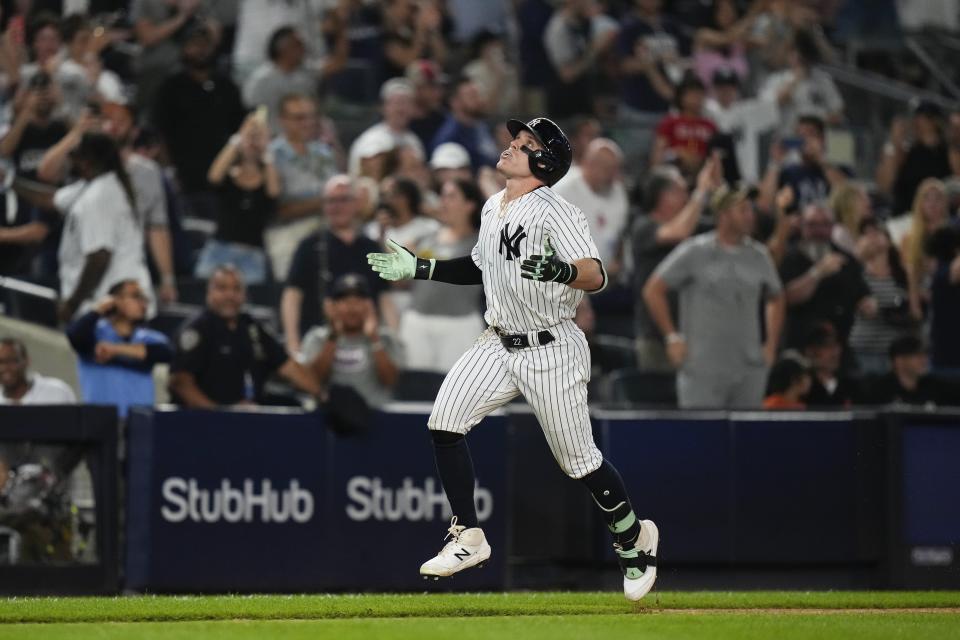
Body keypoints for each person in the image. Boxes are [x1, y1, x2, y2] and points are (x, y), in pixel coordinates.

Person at [366, 116, 659, 601]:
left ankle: (633, 539)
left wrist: (562, 269)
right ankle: (468, 536)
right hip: (499, 340)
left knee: (580, 462)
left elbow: (597, 274)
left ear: (542, 162)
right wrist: (419, 266)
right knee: (443, 423)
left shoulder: (555, 211)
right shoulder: (491, 206)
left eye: (523, 145)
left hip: (551, 346)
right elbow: (479, 266)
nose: (510, 147)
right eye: (515, 140)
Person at [642, 183, 785, 409]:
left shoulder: (759, 255)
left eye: (750, 210)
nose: (750, 216)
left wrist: (770, 344)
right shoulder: (695, 251)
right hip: (703, 366)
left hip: (748, 366)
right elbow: (653, 290)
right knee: (701, 438)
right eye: (743, 210)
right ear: (724, 214)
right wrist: (672, 338)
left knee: (748, 437)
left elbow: (776, 297)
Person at [15, 132, 153, 323]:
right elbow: (49, 200)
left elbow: (99, 257)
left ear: (87, 161)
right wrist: (9, 181)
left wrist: (72, 305)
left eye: (75, 154)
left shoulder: (99, 197)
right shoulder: (90, 185)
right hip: (110, 305)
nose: (70, 158)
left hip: (113, 308)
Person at [168, 265, 320, 407]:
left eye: (237, 289)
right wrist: (219, 414)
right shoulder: (197, 330)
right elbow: (181, 383)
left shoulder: (253, 328)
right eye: (222, 288)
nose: (230, 295)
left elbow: (289, 367)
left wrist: (322, 395)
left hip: (250, 419)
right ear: (209, 292)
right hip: (202, 422)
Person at [282, 175, 387, 355]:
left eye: (344, 199)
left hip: (365, 347)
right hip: (320, 343)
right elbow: (292, 296)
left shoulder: (372, 248)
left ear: (356, 203)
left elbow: (385, 297)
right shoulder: (309, 246)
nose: (337, 206)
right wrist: (293, 344)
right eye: (331, 201)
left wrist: (390, 341)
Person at [632, 158, 719, 370]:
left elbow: (722, 228)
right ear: (663, 196)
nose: (687, 196)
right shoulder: (644, 227)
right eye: (681, 191)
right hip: (656, 336)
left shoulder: (694, 224)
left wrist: (716, 192)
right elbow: (679, 232)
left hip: (693, 333)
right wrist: (701, 191)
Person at [153, 22, 246, 213]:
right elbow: (160, 132)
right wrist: (171, 171)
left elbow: (240, 130)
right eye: (195, 44)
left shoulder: (227, 86)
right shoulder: (171, 87)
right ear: (184, 48)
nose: (201, 50)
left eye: (206, 44)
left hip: (223, 175)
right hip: (186, 177)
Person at [398, 178, 484, 373]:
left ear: (469, 205)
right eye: (442, 196)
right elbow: (399, 282)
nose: (443, 202)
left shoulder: (482, 242)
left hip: (459, 325)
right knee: (417, 385)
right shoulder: (425, 238)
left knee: (457, 388)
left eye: (451, 197)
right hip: (417, 322)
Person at [65, 279, 172, 418]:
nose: (143, 303)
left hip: (140, 421)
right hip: (100, 420)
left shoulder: (148, 337)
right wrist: (98, 309)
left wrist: (114, 350)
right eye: (136, 296)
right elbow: (75, 336)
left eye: (144, 298)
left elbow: (166, 353)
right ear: (114, 300)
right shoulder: (95, 333)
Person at [194, 111, 279, 285]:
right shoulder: (229, 176)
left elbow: (274, 193)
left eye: (258, 136)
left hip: (252, 254)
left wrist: (266, 146)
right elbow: (214, 177)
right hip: (219, 249)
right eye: (250, 136)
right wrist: (239, 138)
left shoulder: (270, 178)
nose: (253, 141)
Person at [301, 273, 401, 410]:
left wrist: (374, 338)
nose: (352, 308)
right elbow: (313, 381)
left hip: (375, 415)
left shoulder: (385, 339)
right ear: (332, 306)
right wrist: (333, 336)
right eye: (345, 301)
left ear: (370, 305)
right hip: (330, 417)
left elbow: (390, 381)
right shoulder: (317, 338)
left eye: (358, 301)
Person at [265, 93, 338, 281]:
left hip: (329, 229)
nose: (307, 123)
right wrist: (328, 202)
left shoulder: (324, 152)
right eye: (299, 118)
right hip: (288, 233)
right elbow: (278, 209)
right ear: (282, 120)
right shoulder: (271, 156)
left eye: (311, 116)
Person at [779, 202, 871, 351]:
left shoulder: (846, 259)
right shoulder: (789, 258)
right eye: (812, 225)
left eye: (825, 224)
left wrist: (868, 303)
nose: (819, 231)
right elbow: (786, 298)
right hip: (801, 344)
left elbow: (862, 294)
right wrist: (817, 273)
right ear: (801, 225)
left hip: (839, 345)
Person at [242, 25, 348, 133]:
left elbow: (337, 63)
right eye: (298, 44)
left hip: (306, 137)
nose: (304, 48)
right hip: (273, 138)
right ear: (283, 48)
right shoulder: (261, 80)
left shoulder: (308, 71)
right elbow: (254, 113)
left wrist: (341, 30)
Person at [553, 138, 629, 274]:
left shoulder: (617, 191)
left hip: (605, 278)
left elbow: (619, 233)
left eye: (615, 168)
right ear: (589, 163)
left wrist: (617, 261)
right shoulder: (562, 190)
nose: (613, 175)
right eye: (607, 168)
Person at [848, 219, 913, 375]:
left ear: (889, 241)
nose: (872, 237)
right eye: (866, 234)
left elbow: (915, 307)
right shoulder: (856, 274)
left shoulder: (903, 274)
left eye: (877, 232)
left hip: (898, 352)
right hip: (864, 349)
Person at [704, 67, 779, 183]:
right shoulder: (706, 110)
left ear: (736, 89)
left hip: (746, 177)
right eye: (721, 87)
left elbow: (776, 103)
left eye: (730, 87)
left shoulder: (748, 110)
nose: (725, 91)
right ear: (714, 89)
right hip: (717, 178)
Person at [348, 78, 425, 176]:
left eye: (406, 103)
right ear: (383, 107)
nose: (401, 109)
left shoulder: (414, 141)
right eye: (396, 103)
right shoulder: (371, 139)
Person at [650, 74, 717, 176]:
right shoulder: (670, 123)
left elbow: (715, 155)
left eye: (700, 94)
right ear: (681, 97)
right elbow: (658, 153)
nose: (696, 98)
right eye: (692, 94)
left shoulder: (710, 126)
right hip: (674, 172)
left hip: (704, 173)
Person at [429, 76, 499, 171]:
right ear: (455, 103)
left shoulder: (479, 124)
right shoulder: (450, 138)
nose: (480, 100)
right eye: (472, 96)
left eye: (479, 94)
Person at [862, 335, 955, 406]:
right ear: (899, 361)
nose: (924, 361)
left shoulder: (937, 387)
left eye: (925, 355)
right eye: (918, 356)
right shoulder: (879, 390)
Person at [0, 338, 76, 405]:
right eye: (0, 362)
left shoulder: (58, 391)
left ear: (27, 361)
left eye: (11, 361)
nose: (3, 368)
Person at [801, 322, 857, 407]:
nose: (835, 353)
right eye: (828, 346)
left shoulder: (850, 386)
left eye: (836, 346)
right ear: (810, 351)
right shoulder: (801, 388)